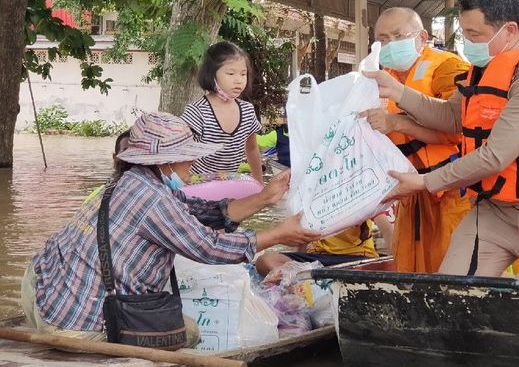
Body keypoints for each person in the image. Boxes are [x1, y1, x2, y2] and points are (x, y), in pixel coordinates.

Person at [364, 0, 519, 277]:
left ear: (510, 29)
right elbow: (453, 117)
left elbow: (494, 156)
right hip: (493, 210)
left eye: (474, 34)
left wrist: (424, 182)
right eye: (464, 33)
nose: (467, 43)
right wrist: (397, 92)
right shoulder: (487, 65)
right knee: (451, 293)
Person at [21, 112, 319, 345]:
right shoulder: (151, 198)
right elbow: (209, 247)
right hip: (73, 320)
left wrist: (264, 198)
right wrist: (280, 234)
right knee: (187, 333)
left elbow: (201, 212)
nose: (193, 160)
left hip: (41, 291)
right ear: (165, 161)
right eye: (186, 154)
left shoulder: (134, 181)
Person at [360, 7, 472, 273]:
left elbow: (458, 131)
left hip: (451, 189)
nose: (390, 44)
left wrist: (398, 123)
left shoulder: (449, 68)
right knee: (410, 268)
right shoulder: (378, 77)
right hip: (409, 193)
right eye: (383, 39)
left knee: (454, 270)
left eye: (398, 35)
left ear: (422, 37)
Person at [181, 41, 263, 183]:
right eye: (231, 73)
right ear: (212, 75)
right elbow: (180, 152)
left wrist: (259, 185)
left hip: (229, 187)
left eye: (243, 74)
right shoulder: (197, 112)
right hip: (195, 188)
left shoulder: (248, 111)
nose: (239, 80)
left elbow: (252, 149)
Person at [255, 221, 379, 276]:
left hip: (355, 258)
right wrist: (295, 268)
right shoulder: (315, 195)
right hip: (318, 258)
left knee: (358, 275)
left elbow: (388, 230)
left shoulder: (364, 193)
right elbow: (304, 237)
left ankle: (309, 286)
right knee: (265, 261)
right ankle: (301, 288)